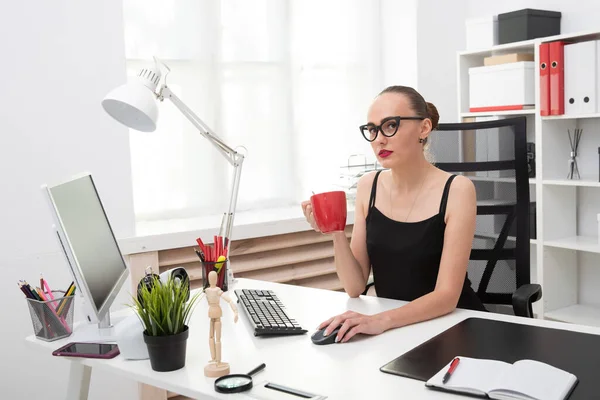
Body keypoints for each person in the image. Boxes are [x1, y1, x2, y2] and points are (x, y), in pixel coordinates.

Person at [301, 85, 485, 344]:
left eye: (390, 126)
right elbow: (354, 286)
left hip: (451, 325)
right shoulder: (369, 186)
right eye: (373, 130)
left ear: (424, 128)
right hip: (398, 328)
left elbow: (447, 295)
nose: (379, 139)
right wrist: (335, 232)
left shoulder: (457, 189)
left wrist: (380, 321)